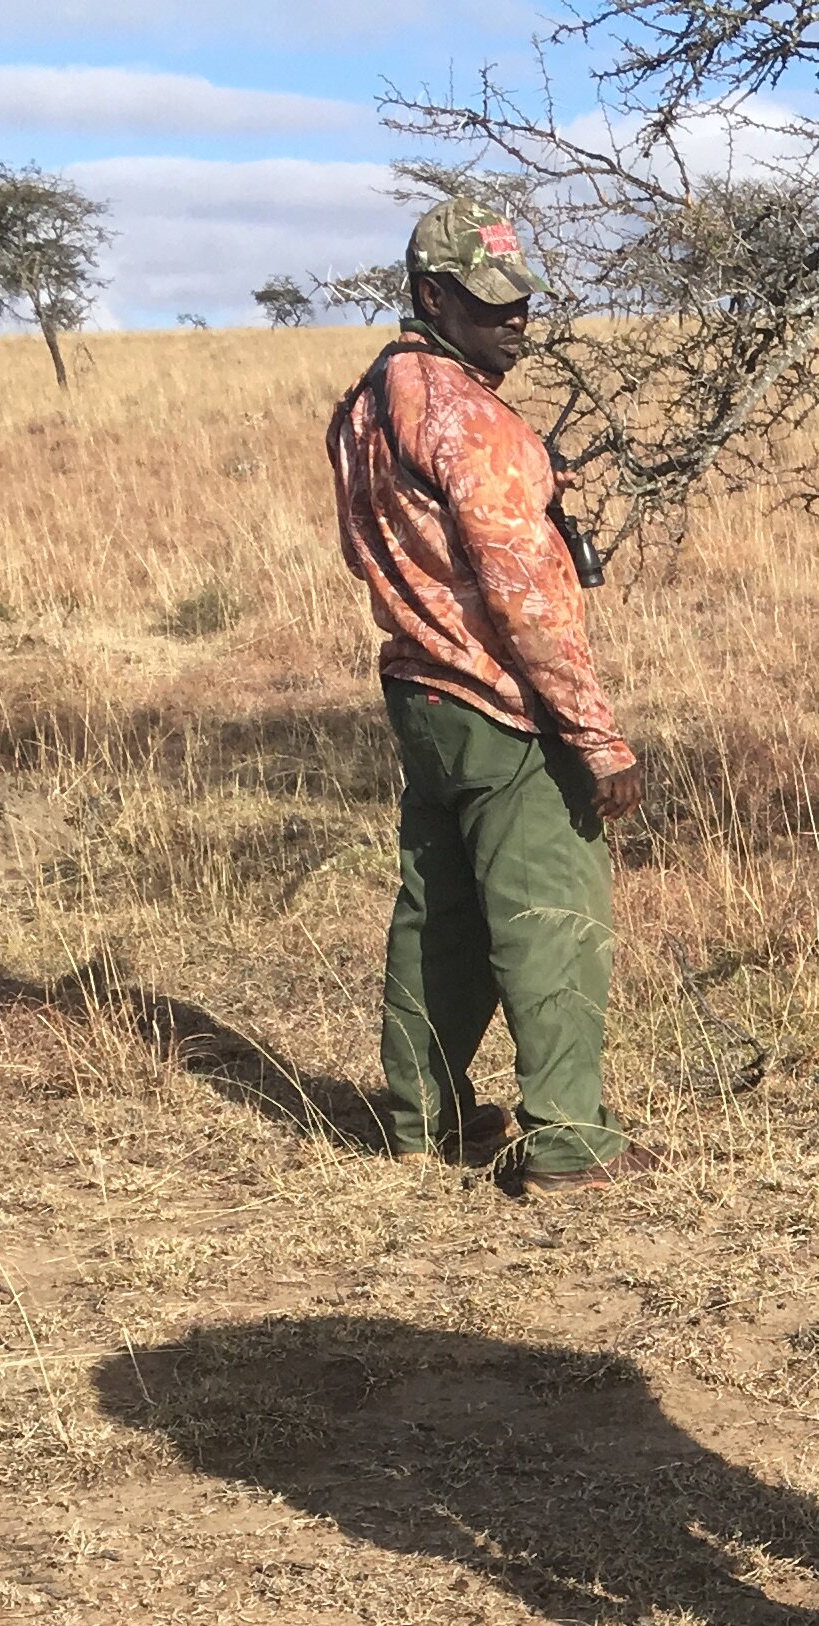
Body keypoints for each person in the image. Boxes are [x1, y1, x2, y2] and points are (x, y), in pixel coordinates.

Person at [325, 193, 646, 1195]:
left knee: (442, 912)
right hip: (501, 705)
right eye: (488, 301)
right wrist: (597, 741)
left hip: (421, 695)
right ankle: (566, 1140)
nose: (515, 320)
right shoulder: (474, 420)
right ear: (432, 295)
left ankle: (423, 1115)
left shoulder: (367, 404)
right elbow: (528, 600)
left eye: (521, 301)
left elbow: (362, 549)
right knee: (553, 915)